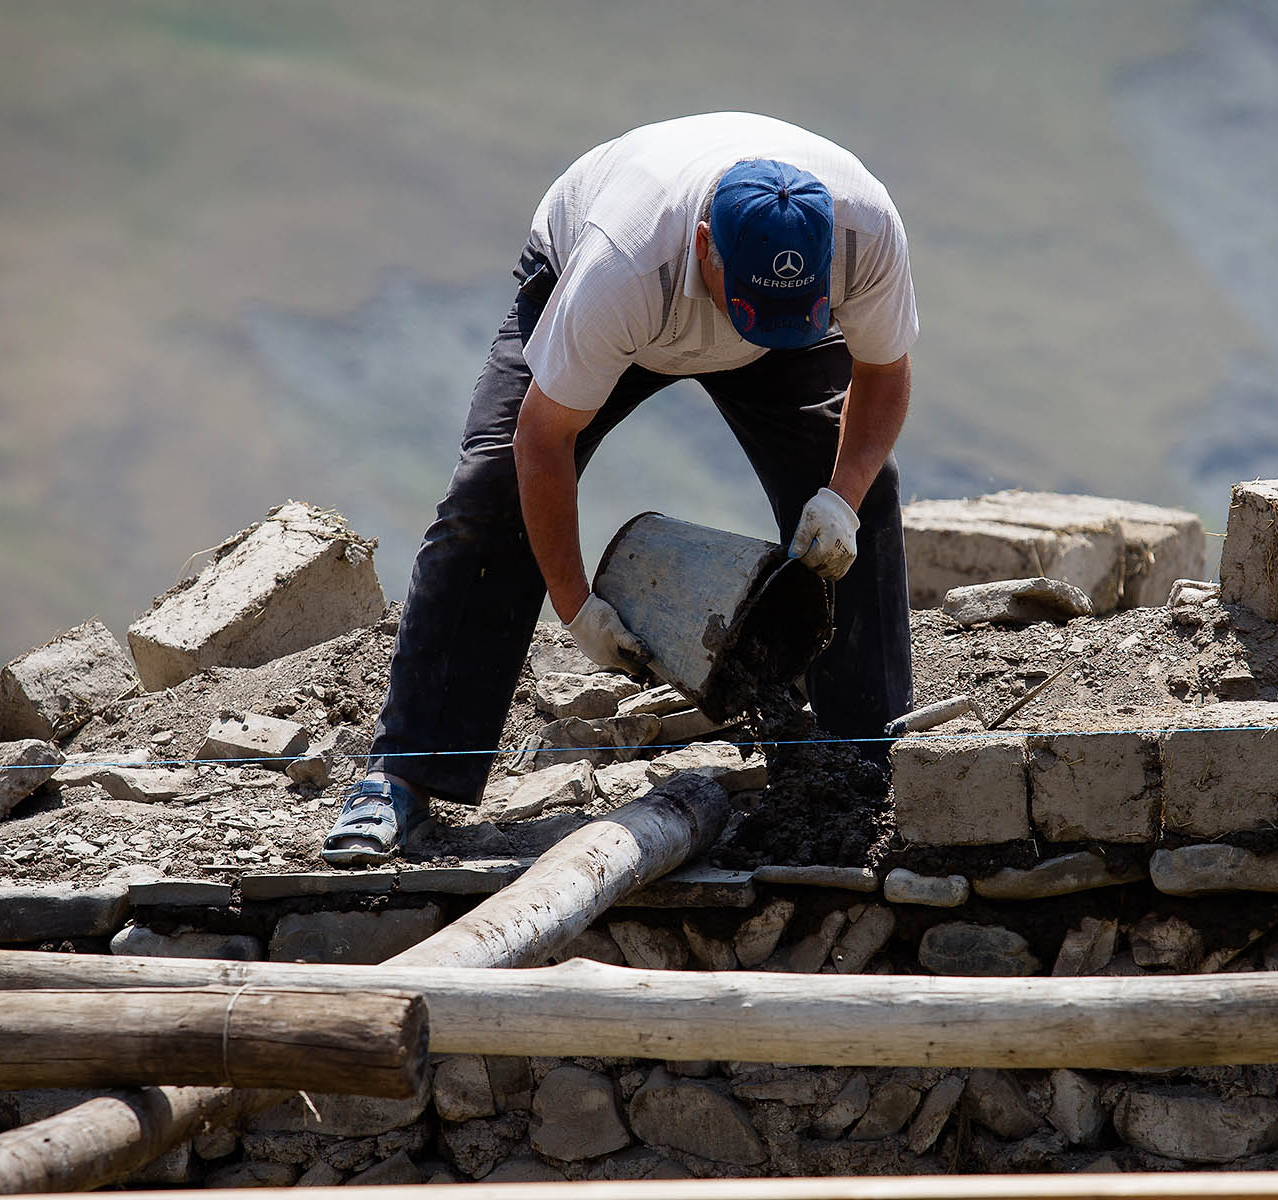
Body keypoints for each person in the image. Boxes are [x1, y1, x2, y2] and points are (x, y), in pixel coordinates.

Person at [322, 111, 919, 865]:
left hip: (732, 293)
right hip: (622, 289)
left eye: (784, 316)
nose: (761, 333)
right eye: (751, 312)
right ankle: (402, 779)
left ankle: (865, 762)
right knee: (490, 491)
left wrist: (841, 496)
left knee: (865, 489)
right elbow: (543, 441)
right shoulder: (621, 267)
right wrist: (577, 607)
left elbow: (884, 373)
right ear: (707, 245)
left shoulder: (864, 231)